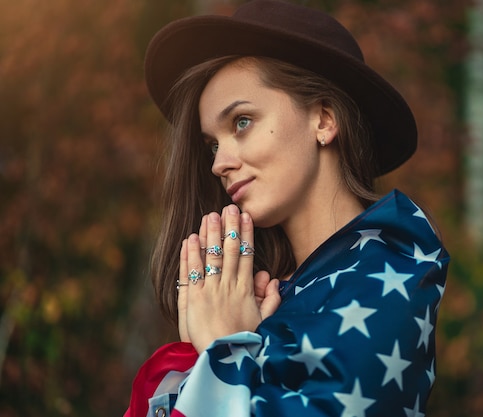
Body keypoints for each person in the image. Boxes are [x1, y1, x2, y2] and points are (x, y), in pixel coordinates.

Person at [125, 1, 449, 416]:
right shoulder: (264, 298)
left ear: (325, 120)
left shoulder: (392, 272)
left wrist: (225, 350)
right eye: (212, 144)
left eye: (241, 122)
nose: (217, 163)